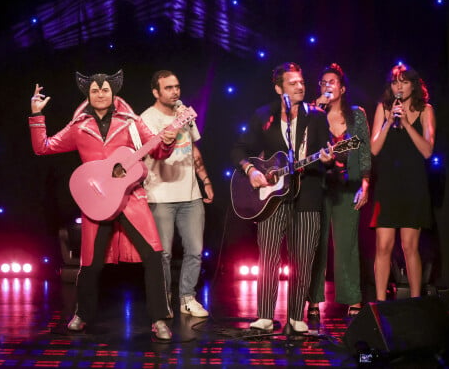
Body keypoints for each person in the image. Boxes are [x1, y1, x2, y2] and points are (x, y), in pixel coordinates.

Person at [28, 70, 177, 340]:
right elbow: (43, 147)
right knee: (91, 264)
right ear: (88, 94)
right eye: (95, 90)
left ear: (113, 93)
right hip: (97, 201)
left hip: (131, 199)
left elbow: (157, 150)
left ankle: (159, 319)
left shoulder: (132, 122)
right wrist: (36, 115)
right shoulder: (79, 126)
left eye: (105, 90)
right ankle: (82, 314)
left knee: (154, 257)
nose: (100, 94)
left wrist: (168, 142)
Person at [230, 62, 334, 333]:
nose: (300, 86)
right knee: (268, 256)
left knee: (304, 257)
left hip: (309, 193)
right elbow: (239, 149)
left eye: (301, 82)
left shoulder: (317, 117)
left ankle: (296, 316)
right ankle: (265, 315)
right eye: (292, 83)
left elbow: (332, 155)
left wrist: (330, 158)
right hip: (271, 198)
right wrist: (251, 170)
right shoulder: (264, 115)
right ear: (279, 89)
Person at [140, 70, 213, 318]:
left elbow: (193, 149)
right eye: (169, 88)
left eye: (177, 87)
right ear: (156, 92)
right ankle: (164, 301)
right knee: (164, 254)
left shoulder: (185, 114)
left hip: (191, 194)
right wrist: (169, 133)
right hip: (160, 195)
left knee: (194, 250)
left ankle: (187, 298)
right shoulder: (146, 119)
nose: (175, 92)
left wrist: (205, 180)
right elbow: (150, 153)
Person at [307, 63, 371, 321]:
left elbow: (364, 149)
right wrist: (315, 110)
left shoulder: (357, 115)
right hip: (318, 186)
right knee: (316, 245)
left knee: (347, 244)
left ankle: (352, 297)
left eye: (332, 82)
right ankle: (312, 299)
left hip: (347, 186)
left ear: (342, 88)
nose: (327, 86)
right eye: (323, 82)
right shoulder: (311, 113)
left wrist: (365, 183)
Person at [369, 63, 436, 301]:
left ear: (414, 85)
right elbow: (374, 149)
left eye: (404, 82)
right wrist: (389, 121)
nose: (399, 86)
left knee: (410, 247)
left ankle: (416, 302)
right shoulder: (383, 108)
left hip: (413, 185)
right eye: (395, 82)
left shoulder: (426, 110)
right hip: (387, 185)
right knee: (383, 246)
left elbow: (427, 151)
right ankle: (380, 303)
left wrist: (407, 123)